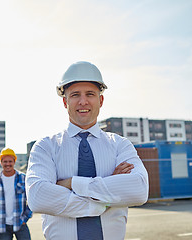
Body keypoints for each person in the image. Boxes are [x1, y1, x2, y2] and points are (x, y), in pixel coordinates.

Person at [25, 61, 149, 240]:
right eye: (75, 95)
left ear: (101, 100)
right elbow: (38, 197)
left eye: (90, 94)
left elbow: (139, 189)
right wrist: (105, 198)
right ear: (65, 102)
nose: (83, 101)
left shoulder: (120, 145)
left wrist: (71, 183)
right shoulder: (45, 147)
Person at [0, 148, 32, 240]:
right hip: (3, 225)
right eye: (5, 161)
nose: (8, 164)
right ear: (1, 162)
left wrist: (25, 218)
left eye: (10, 161)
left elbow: (31, 199)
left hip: (20, 223)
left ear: (14, 161)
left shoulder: (23, 178)